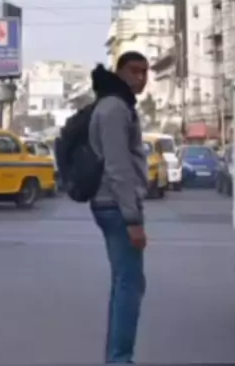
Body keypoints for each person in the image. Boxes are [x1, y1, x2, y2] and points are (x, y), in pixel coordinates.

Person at [88, 51, 149, 364]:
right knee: (130, 285)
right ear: (120, 71)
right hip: (115, 205)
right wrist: (132, 218)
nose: (141, 78)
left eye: (145, 72)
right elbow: (118, 167)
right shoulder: (114, 107)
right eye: (134, 71)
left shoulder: (118, 104)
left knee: (125, 283)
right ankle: (120, 359)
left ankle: (117, 357)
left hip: (112, 204)